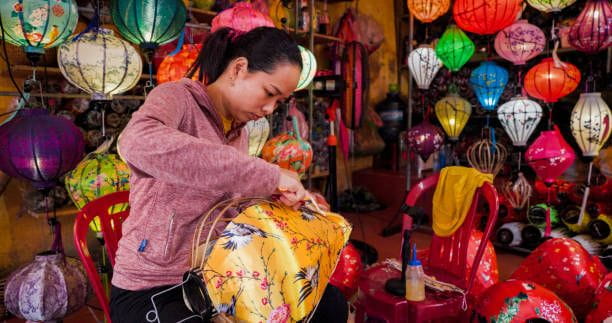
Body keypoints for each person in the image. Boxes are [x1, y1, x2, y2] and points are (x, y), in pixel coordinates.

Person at [110, 27, 314, 322]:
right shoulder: (176, 98)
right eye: (269, 93)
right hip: (151, 284)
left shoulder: (239, 131)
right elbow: (135, 142)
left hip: (212, 278)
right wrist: (268, 175)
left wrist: (275, 202)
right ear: (239, 68)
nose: (270, 109)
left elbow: (226, 203)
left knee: (321, 303)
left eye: (279, 102)